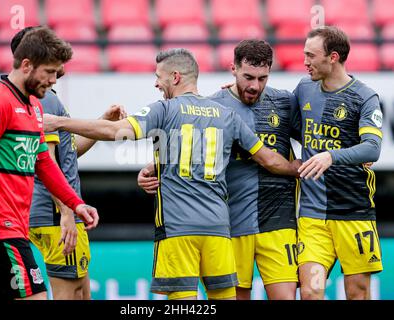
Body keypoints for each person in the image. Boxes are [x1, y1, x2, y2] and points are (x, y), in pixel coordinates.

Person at [43, 48, 301, 300]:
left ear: (175, 77)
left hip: (179, 230)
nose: (157, 83)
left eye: (159, 76)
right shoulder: (227, 114)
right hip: (219, 231)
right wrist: (300, 167)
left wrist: (60, 122)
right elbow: (268, 159)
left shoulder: (164, 110)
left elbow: (114, 132)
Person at [138, 40, 301, 300]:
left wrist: (334, 157)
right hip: (232, 222)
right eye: (248, 77)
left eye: (262, 78)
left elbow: (314, 140)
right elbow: (187, 153)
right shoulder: (215, 106)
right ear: (232, 69)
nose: (254, 85)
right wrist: (151, 169)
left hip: (278, 220)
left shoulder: (284, 102)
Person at [0, 26, 99, 300]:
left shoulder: (34, 107)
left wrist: (75, 203)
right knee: (36, 295)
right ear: (26, 65)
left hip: (14, 224)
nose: (54, 80)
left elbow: (44, 164)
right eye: (49, 72)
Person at [9, 27, 125, 300]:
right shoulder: (44, 98)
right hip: (53, 213)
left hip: (48, 211)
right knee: (70, 293)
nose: (57, 71)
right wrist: (67, 213)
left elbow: (67, 154)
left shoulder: (38, 96)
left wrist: (103, 122)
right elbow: (46, 161)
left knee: (81, 291)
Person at [294, 26, 383, 300]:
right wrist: (235, 92)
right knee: (311, 292)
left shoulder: (364, 97)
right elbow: (285, 123)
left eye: (311, 55)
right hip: (312, 216)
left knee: (357, 293)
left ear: (333, 57)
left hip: (353, 215)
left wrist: (332, 155)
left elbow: (373, 148)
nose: (305, 61)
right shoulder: (304, 89)